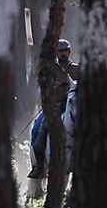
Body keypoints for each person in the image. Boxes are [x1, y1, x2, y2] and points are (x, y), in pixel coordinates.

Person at [28, 38, 79, 194]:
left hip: (72, 106)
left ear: (69, 52)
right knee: (37, 129)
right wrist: (50, 87)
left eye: (65, 51)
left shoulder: (77, 69)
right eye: (60, 51)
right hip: (53, 107)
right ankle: (38, 166)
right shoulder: (49, 69)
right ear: (56, 53)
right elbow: (39, 90)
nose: (63, 53)